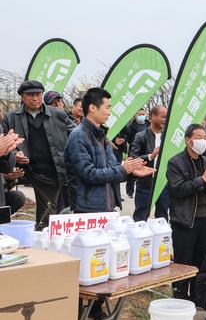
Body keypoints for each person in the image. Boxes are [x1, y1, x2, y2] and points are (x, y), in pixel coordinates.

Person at [65, 87, 152, 213]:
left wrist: (130, 171)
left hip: (107, 206)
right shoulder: (78, 136)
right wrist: (123, 169)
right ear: (92, 108)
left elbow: (112, 168)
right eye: (107, 107)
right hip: (88, 210)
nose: (109, 113)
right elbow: (88, 174)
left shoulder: (102, 136)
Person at [3, 80, 75, 229]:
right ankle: (43, 233)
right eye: (30, 95)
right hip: (26, 169)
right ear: (22, 97)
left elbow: (76, 134)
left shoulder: (57, 114)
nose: (35, 98)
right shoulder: (11, 117)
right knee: (48, 209)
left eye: (38, 94)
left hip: (52, 169)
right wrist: (15, 154)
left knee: (49, 210)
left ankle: (43, 233)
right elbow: (4, 141)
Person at [167, 123, 206, 300]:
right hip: (184, 220)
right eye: (198, 138)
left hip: (205, 219)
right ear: (188, 140)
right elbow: (178, 189)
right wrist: (202, 179)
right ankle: (180, 297)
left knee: (200, 259)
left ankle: (197, 295)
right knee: (183, 260)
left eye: (204, 138)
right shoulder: (175, 162)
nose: (202, 141)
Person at [130, 105, 170, 221]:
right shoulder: (140, 136)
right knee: (140, 218)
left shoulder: (168, 138)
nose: (165, 120)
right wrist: (150, 156)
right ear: (153, 116)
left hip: (163, 184)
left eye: (167, 117)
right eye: (163, 117)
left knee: (162, 218)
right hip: (145, 184)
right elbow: (133, 158)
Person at [123, 109, 149, 198]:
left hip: (146, 150)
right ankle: (130, 191)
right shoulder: (132, 126)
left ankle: (142, 188)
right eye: (139, 114)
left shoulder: (148, 125)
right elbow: (128, 138)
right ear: (136, 115)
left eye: (143, 114)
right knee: (132, 171)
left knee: (144, 169)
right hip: (134, 150)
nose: (141, 116)